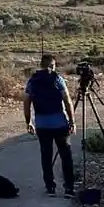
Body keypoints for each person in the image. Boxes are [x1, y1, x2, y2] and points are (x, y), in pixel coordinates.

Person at [24, 54, 76, 198]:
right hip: (60, 124)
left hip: (42, 125)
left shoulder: (32, 81)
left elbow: (26, 103)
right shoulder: (58, 79)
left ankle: (50, 187)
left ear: (41, 65)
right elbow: (67, 101)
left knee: (46, 156)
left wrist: (28, 122)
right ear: (53, 65)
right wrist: (72, 121)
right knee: (66, 157)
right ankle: (69, 188)